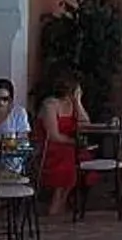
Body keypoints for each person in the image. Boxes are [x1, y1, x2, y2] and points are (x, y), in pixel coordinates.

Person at [35, 73, 85, 219]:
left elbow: (85, 124)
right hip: (49, 148)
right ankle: (56, 207)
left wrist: (79, 103)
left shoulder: (73, 104)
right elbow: (53, 135)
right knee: (68, 157)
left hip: (68, 146)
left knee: (79, 156)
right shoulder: (50, 104)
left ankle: (60, 204)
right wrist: (74, 143)